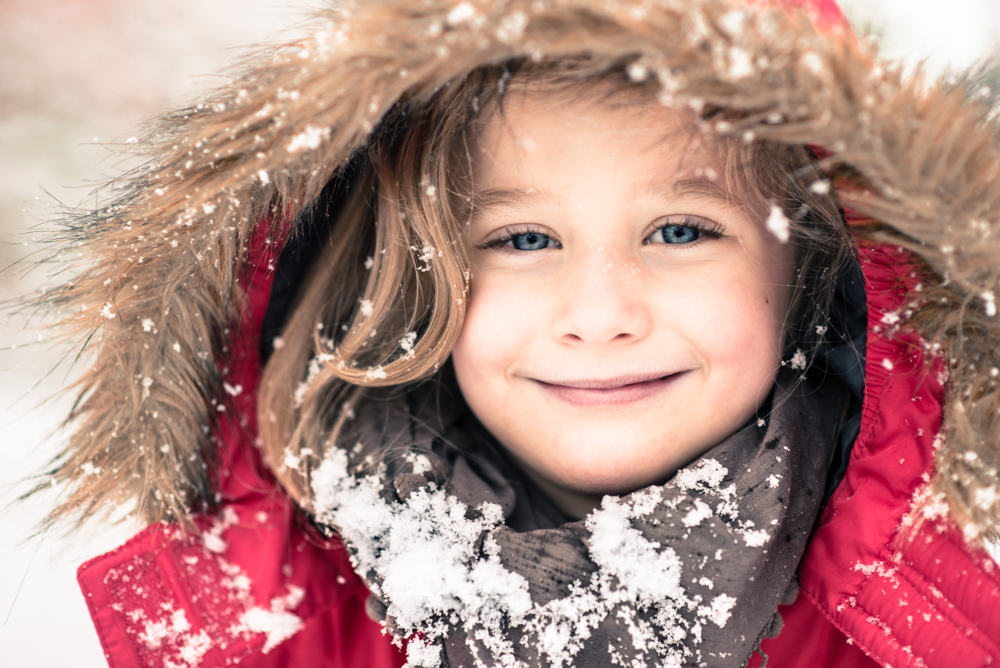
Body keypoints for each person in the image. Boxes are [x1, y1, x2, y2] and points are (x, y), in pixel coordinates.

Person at [37, 0, 999, 666]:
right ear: (411, 267)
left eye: (680, 231)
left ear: (814, 271)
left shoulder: (949, 617)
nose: (598, 315)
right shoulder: (281, 622)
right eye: (523, 238)